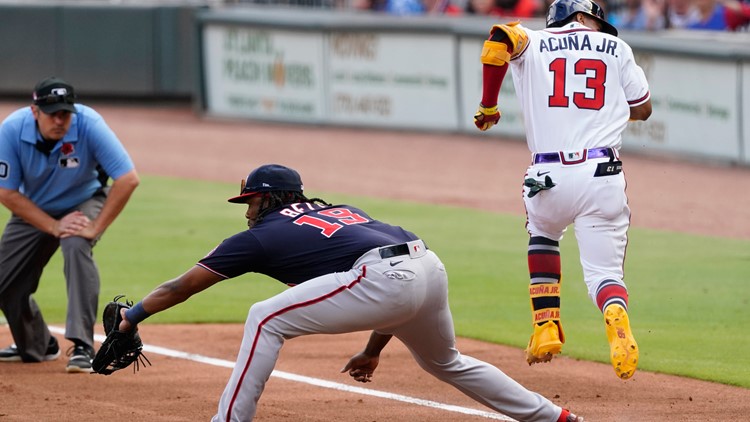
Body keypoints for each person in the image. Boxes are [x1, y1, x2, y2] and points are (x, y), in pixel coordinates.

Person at [113, 163, 583, 422]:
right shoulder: (342, 211)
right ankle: (555, 420)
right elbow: (394, 288)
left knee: (264, 317)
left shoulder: (260, 235)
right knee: (447, 362)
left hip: (385, 279)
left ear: (271, 198)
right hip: (428, 266)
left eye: (251, 200)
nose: (246, 211)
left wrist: (132, 316)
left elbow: (183, 286)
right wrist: (373, 350)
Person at [473, 0, 651, 380]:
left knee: (542, 234)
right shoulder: (617, 48)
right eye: (598, 21)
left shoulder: (534, 41)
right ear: (583, 17)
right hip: (601, 172)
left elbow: (498, 39)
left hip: (546, 174)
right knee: (603, 274)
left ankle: (545, 325)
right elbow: (643, 109)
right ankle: (614, 312)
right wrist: (614, 105)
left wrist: (489, 105)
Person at [0, 77, 139, 373]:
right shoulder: (11, 129)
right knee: (4, 282)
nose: (61, 120)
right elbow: (6, 192)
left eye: (66, 112)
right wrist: (52, 225)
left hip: (83, 201)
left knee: (75, 242)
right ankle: (39, 342)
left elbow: (128, 178)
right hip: (34, 209)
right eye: (53, 113)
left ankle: (82, 345)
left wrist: (95, 227)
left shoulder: (88, 123)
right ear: (35, 111)